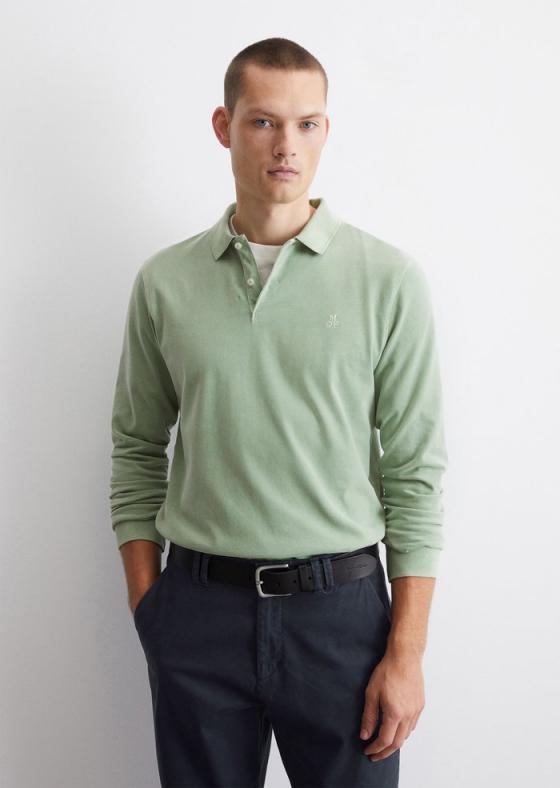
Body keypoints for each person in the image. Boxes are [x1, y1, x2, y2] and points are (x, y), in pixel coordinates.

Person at [109, 36, 448, 788]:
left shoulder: (387, 279)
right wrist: (149, 606)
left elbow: (416, 472)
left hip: (342, 617)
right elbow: (136, 446)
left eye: (306, 123)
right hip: (198, 613)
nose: (286, 145)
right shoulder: (165, 282)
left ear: (326, 130)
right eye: (263, 121)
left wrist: (407, 652)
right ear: (224, 126)